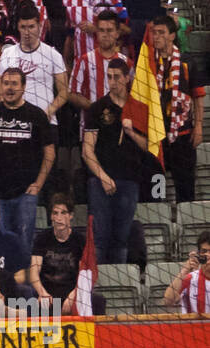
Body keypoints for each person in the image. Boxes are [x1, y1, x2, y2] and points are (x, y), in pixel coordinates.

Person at [81, 59, 145, 265]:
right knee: (100, 237)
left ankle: (119, 287)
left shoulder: (139, 108)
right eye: (109, 77)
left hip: (129, 181)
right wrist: (103, 177)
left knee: (121, 238)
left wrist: (130, 132)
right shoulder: (97, 108)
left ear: (128, 78)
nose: (112, 81)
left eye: (117, 77)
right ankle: (100, 286)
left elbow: (149, 147)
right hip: (99, 182)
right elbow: (87, 151)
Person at [0, 66, 52, 262]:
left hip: (26, 194)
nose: (9, 88)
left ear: (24, 87)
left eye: (14, 84)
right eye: (6, 83)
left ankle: (24, 287)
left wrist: (39, 184)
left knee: (24, 245)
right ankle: (1, 288)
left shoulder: (37, 115)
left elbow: (50, 153)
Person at [148, 14, 202, 206]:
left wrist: (199, 127)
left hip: (183, 134)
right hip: (156, 137)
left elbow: (197, 96)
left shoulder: (187, 62)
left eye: (161, 33)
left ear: (172, 35)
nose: (156, 37)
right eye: (154, 33)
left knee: (185, 187)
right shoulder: (148, 63)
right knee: (156, 187)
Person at [0, 6, 66, 136]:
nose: (27, 32)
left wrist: (47, 112)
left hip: (45, 122)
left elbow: (64, 92)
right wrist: (9, 112)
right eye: (23, 27)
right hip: (14, 123)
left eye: (31, 27)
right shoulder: (7, 54)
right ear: (18, 27)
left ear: (39, 26)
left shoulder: (53, 54)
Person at [30, 194, 95, 312]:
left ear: (71, 215)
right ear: (51, 216)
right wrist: (42, 292)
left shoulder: (79, 240)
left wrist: (73, 296)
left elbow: (83, 275)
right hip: (47, 293)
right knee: (31, 301)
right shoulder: (42, 238)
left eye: (63, 213)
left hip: (72, 292)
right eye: (55, 213)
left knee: (96, 300)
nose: (59, 218)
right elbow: (33, 272)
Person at [162, 232, 210, 314]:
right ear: (199, 254)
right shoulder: (190, 278)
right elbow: (168, 301)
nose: (208, 255)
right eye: (204, 251)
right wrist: (185, 270)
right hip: (194, 326)